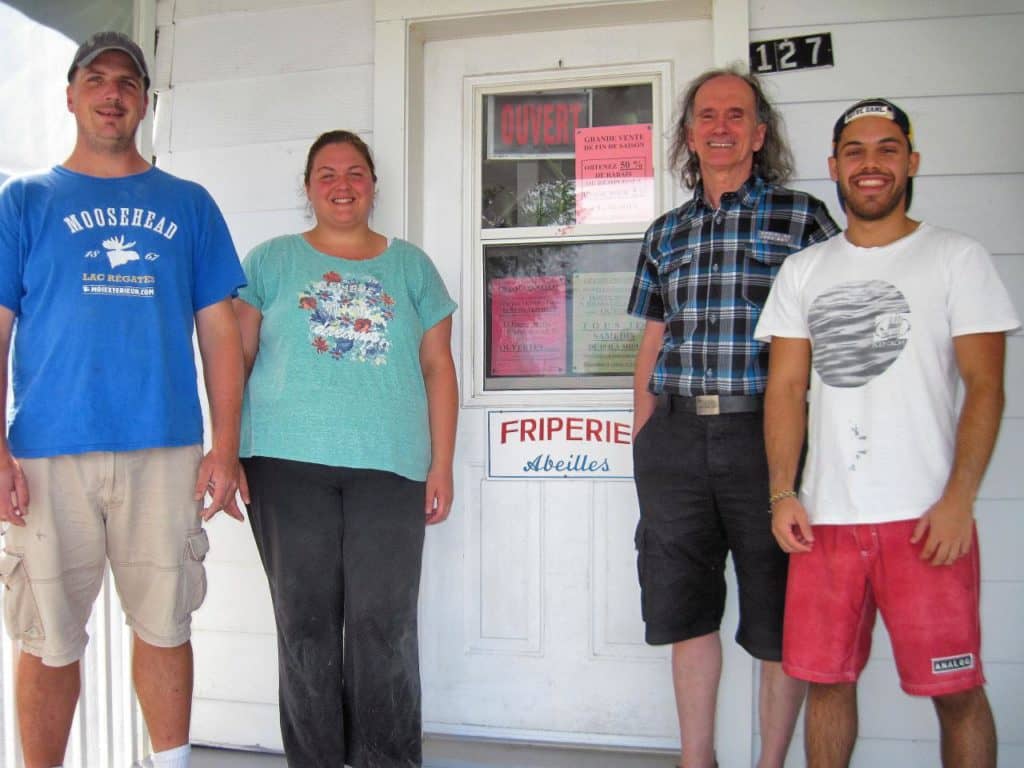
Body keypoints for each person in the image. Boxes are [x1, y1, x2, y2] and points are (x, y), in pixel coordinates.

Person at [0, 31, 246, 768]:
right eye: (96, 79)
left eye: (127, 82)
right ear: (71, 95)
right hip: (47, 450)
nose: (112, 94)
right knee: (47, 636)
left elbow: (221, 334)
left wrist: (224, 447)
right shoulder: (25, 201)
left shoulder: (188, 205)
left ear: (145, 100)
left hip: (164, 446)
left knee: (166, 625)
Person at [757, 98, 1018, 768]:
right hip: (826, 522)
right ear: (834, 167)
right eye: (855, 151)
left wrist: (959, 499)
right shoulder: (804, 270)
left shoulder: (956, 258)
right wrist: (782, 492)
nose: (870, 164)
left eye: (887, 148)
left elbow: (986, 388)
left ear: (912, 161)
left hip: (929, 523)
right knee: (826, 684)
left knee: (956, 691)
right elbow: (786, 390)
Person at [626, 66, 839, 768]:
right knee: (685, 607)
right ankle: (698, 760)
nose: (720, 127)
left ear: (758, 132)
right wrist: (645, 429)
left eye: (736, 115)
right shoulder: (664, 233)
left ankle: (770, 763)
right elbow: (654, 341)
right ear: (690, 134)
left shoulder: (802, 219)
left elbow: (831, 338)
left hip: (765, 439)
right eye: (706, 115)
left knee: (779, 613)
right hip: (677, 437)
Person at [234, 129, 458, 768]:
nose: (342, 184)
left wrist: (440, 462)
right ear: (307, 187)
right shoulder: (270, 262)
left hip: (390, 469)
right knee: (304, 627)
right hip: (283, 465)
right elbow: (236, 360)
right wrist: (226, 448)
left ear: (373, 186)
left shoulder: (411, 266)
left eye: (355, 172)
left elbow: (439, 368)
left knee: (381, 627)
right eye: (327, 173)